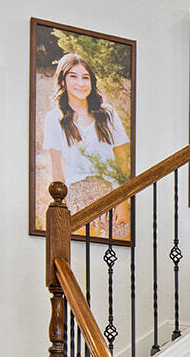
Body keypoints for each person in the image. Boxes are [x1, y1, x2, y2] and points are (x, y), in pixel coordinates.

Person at [43, 52, 131, 227]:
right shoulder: (54, 118)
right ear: (62, 81)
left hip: (109, 191)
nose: (81, 84)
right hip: (75, 192)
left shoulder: (108, 114)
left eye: (85, 77)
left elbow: (122, 161)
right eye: (73, 77)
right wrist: (62, 207)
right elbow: (57, 167)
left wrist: (122, 201)